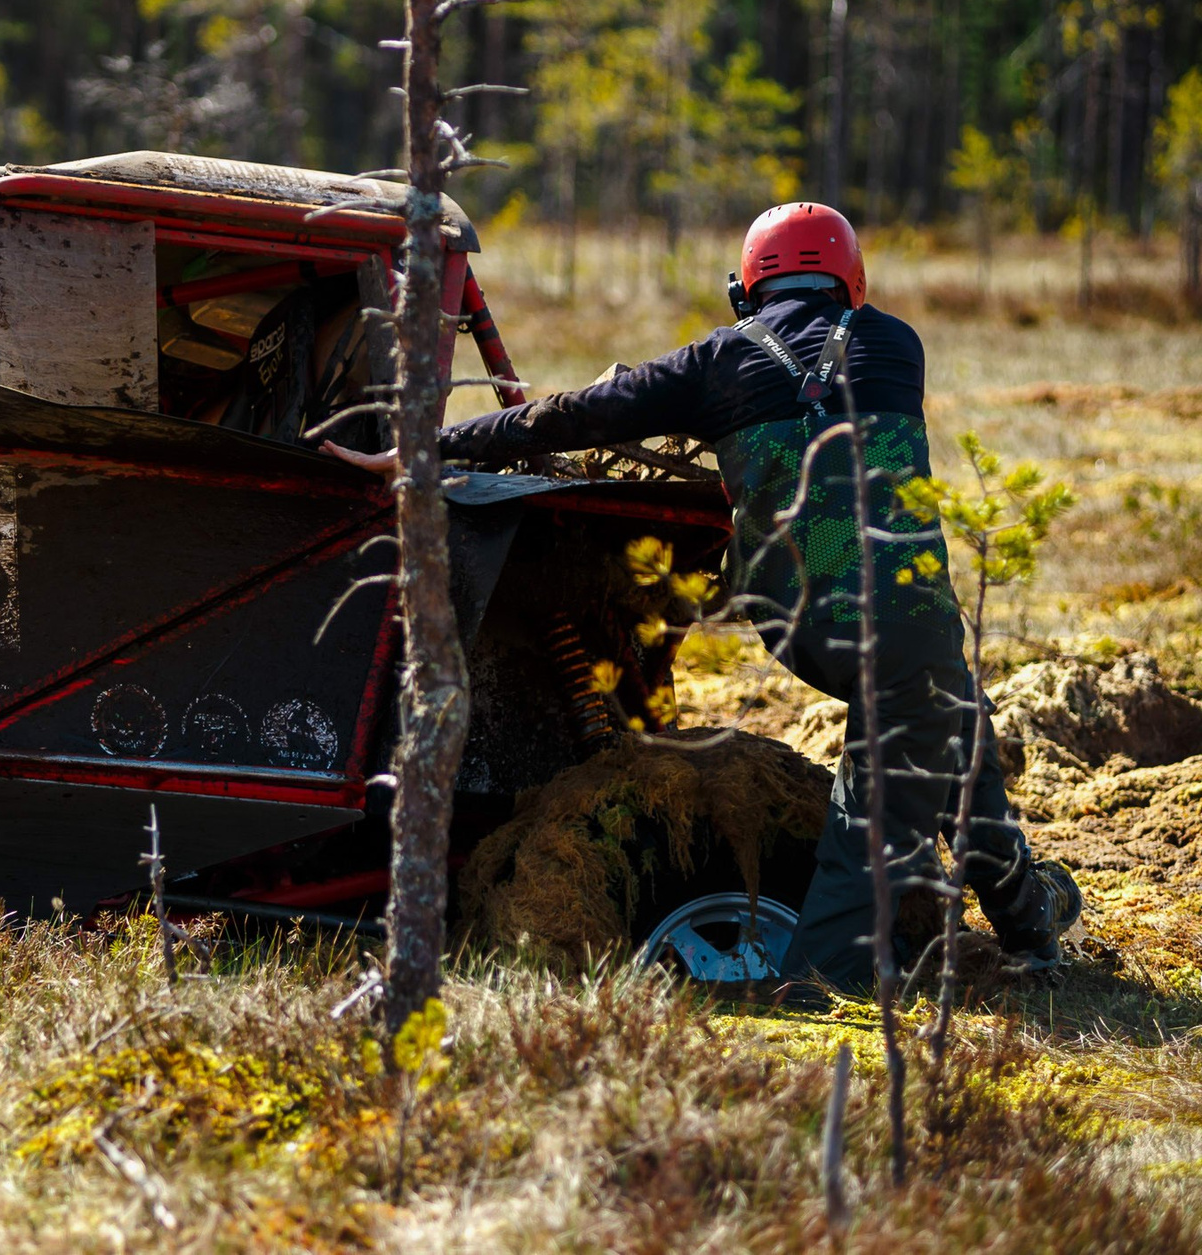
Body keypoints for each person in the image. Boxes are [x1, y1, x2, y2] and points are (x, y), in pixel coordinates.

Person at [325, 202, 1079, 986]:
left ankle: (1030, 920)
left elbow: (574, 415)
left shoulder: (720, 361)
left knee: (954, 732)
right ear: (850, 280)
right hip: (903, 615)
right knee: (880, 815)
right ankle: (827, 984)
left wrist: (433, 442)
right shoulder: (895, 344)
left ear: (745, 288)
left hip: (794, 618)